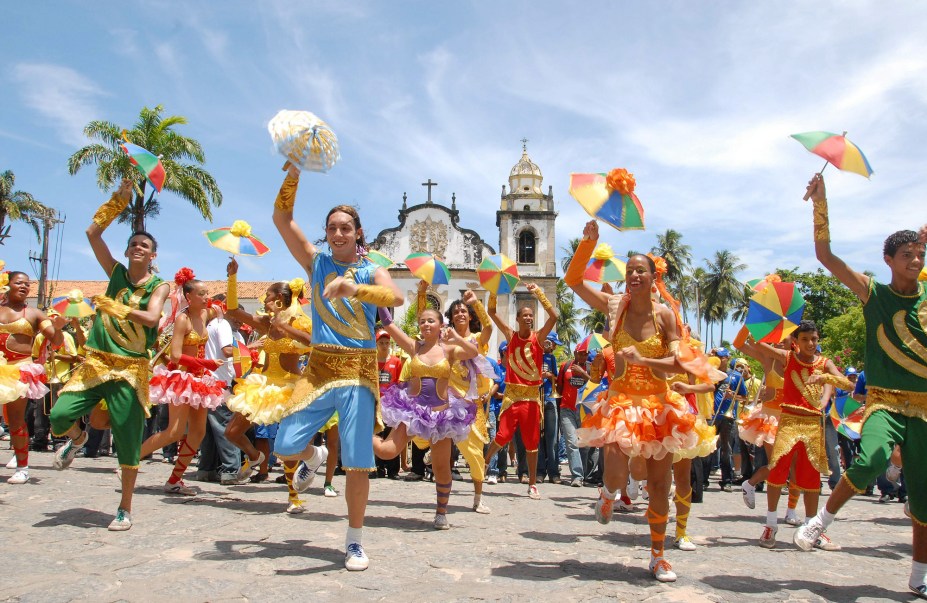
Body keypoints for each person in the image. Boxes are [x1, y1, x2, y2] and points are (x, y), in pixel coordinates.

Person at [793, 173, 927, 599]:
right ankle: (821, 522)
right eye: (907, 254)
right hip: (885, 405)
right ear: (888, 259)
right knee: (870, 460)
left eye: (921, 253)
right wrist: (821, 203)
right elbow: (825, 256)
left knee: (924, 499)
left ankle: (918, 576)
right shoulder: (874, 295)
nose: (916, 260)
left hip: (925, 408)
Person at [272, 163, 403, 571]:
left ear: (358, 232)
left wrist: (353, 287)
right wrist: (293, 174)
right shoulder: (315, 264)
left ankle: (354, 540)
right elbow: (281, 218)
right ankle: (313, 457)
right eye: (332, 228)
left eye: (346, 227)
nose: (338, 233)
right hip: (320, 368)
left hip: (360, 372)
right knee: (284, 445)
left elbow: (395, 299)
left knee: (359, 460)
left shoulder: (371, 270)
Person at [565, 219, 701, 583]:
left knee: (659, 486)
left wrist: (645, 361)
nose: (634, 276)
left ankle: (658, 557)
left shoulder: (666, 315)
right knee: (615, 473)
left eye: (641, 271)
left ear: (653, 277)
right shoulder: (615, 307)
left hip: (659, 405)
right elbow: (574, 281)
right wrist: (587, 244)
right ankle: (607, 493)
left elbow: (679, 361)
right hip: (621, 402)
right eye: (630, 271)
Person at [50, 179, 170, 530]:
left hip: (130, 370)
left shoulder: (157, 285)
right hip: (97, 362)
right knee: (59, 414)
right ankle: (78, 437)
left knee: (129, 443)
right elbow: (91, 234)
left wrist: (117, 310)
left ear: (152, 255)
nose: (138, 247)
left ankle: (125, 507)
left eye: (144, 245)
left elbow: (151, 317)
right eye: (133, 243)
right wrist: (118, 201)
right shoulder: (116, 272)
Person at [223, 260, 322, 513]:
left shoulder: (300, 321)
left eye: (266, 297)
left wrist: (286, 328)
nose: (263, 301)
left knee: (287, 446)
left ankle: (293, 497)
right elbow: (233, 310)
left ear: (279, 298)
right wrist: (233, 278)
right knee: (232, 432)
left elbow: (314, 342)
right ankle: (255, 457)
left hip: (289, 386)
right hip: (262, 385)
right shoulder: (267, 324)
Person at [373, 299, 478, 529]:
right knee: (387, 451)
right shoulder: (414, 346)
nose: (426, 325)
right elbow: (389, 323)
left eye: (431, 321)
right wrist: (379, 299)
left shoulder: (449, 349)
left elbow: (473, 351)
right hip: (413, 411)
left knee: (442, 468)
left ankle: (441, 513)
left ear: (441, 325)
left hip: (440, 417)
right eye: (422, 322)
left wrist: (456, 337)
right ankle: (359, 431)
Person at [742, 321, 844, 551]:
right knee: (777, 472)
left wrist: (827, 394)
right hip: (786, 421)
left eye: (814, 339)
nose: (810, 343)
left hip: (812, 424)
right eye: (805, 339)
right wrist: (764, 322)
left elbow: (838, 379)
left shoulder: (823, 362)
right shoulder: (786, 358)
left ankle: (811, 528)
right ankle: (770, 525)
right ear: (796, 342)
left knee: (810, 477)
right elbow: (755, 344)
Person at [483, 282, 558, 500]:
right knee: (502, 435)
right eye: (524, 315)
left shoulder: (539, 338)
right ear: (517, 319)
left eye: (530, 315)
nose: (528, 318)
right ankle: (486, 461)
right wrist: (494, 291)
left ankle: (532, 483)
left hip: (532, 398)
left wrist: (539, 294)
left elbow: (553, 317)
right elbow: (492, 312)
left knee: (532, 441)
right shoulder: (510, 335)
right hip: (512, 397)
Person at [0, 270, 64, 483]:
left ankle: (22, 467)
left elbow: (55, 340)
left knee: (17, 419)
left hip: (19, 370)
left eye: (27, 284)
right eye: (19, 283)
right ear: (8, 285)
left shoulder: (35, 314)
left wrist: (58, 327)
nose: (24, 287)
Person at [445, 289, 495, 513]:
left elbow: (489, 328)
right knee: (431, 435)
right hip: (448, 399)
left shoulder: (475, 340)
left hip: (471, 404)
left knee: (476, 452)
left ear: (470, 315)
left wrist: (476, 303)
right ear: (452, 317)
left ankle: (477, 498)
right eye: (456, 311)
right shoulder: (444, 339)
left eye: (464, 310)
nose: (460, 314)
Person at [557, 346, 591, 487]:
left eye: (585, 354)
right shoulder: (565, 366)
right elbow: (559, 386)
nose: (583, 357)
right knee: (571, 442)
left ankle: (583, 474)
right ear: (575, 353)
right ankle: (577, 476)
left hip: (584, 411)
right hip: (567, 410)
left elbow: (596, 385)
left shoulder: (590, 367)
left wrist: (583, 373)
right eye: (581, 354)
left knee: (584, 445)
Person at [375, 328, 403, 480]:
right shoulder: (372, 361)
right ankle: (378, 467)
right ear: (376, 344)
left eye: (387, 343)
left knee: (391, 435)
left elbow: (399, 382)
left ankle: (393, 469)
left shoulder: (396, 361)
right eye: (381, 343)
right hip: (376, 403)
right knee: (377, 434)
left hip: (391, 404)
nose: (384, 346)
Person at [538, 332, 562, 484]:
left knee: (552, 438)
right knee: (539, 437)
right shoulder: (536, 354)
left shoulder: (552, 358)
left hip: (549, 398)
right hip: (537, 398)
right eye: (552, 344)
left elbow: (556, 377)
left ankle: (553, 472)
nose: (553, 347)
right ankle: (540, 471)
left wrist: (549, 375)